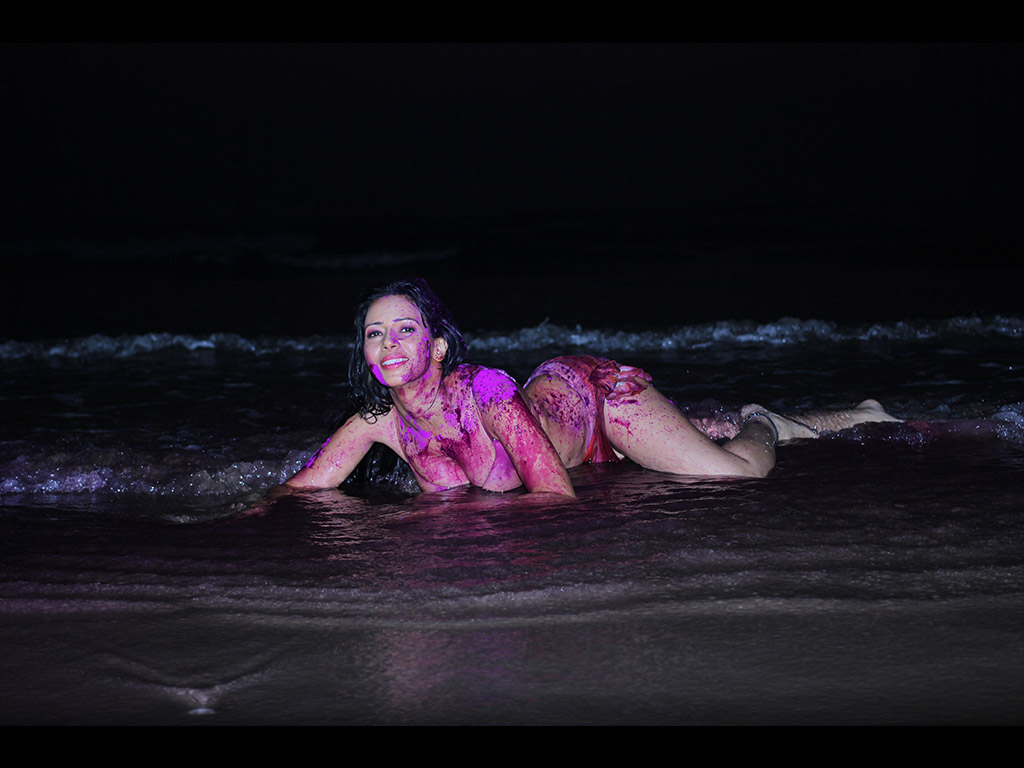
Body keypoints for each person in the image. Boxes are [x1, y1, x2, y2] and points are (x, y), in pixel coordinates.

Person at [284, 279, 900, 499]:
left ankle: (764, 421)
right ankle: (856, 414)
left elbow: (554, 494)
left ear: (437, 347)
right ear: (365, 352)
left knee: (733, 474)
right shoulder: (377, 422)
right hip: (563, 425)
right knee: (690, 441)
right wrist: (237, 516)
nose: (389, 343)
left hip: (592, 399)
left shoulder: (487, 391)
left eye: (405, 329)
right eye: (375, 333)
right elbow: (301, 489)